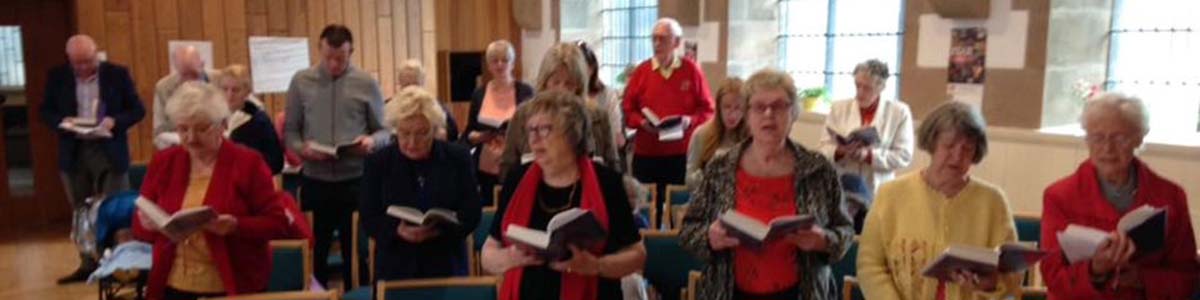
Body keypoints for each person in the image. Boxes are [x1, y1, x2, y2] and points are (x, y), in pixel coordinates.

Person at [679, 69, 854, 300]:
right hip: (729, 291)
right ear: (748, 115)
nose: (769, 114)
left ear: (793, 113)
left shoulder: (818, 170)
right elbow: (688, 231)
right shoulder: (720, 169)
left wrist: (823, 241)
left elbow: (846, 231)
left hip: (802, 292)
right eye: (759, 106)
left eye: (779, 106)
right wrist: (709, 238)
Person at [480, 91, 646, 300]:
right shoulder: (517, 179)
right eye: (531, 130)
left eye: (545, 129)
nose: (534, 138)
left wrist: (597, 266)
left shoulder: (607, 182)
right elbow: (488, 252)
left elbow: (637, 256)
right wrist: (509, 257)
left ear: (572, 134)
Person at [132, 82, 288, 299]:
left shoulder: (248, 163)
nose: (191, 138)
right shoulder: (164, 162)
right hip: (172, 282)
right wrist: (146, 224)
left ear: (223, 125)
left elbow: (278, 224)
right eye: (183, 128)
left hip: (231, 283)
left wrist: (235, 226)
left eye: (202, 128)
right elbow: (139, 227)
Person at [1039, 93, 1198, 299]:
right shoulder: (1060, 196)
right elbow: (1052, 277)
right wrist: (1095, 270)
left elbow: (1188, 279)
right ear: (1087, 139)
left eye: (1119, 138)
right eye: (1097, 137)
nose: (1107, 148)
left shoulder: (1170, 196)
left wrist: (1140, 278)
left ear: (1139, 137)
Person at [857, 101, 1021, 299]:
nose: (957, 157)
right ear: (933, 144)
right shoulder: (891, 194)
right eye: (949, 146)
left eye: (967, 149)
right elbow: (869, 264)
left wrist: (991, 285)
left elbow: (1011, 275)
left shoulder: (993, 202)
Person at [283, 24, 390, 289]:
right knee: (315, 251)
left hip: (354, 179)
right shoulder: (301, 81)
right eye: (327, 57)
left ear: (350, 52)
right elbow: (291, 131)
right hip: (315, 179)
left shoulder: (366, 82)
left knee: (355, 252)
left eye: (340, 59)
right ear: (320, 50)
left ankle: (357, 294)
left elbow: (385, 130)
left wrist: (370, 141)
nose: (333, 64)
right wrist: (301, 148)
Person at [39, 34, 146, 284]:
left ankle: (119, 265)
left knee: (115, 209)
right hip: (74, 150)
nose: (85, 67)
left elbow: (137, 110)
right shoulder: (57, 77)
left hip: (109, 148)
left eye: (89, 60)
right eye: (78, 63)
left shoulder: (116, 74)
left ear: (96, 53)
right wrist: (61, 123)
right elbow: (45, 111)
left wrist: (115, 121)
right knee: (82, 211)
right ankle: (88, 264)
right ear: (69, 61)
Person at [360, 86, 482, 280]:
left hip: (446, 264)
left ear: (434, 130)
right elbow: (369, 216)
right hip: (396, 266)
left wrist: (440, 230)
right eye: (404, 133)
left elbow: (472, 213)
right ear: (395, 130)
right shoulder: (378, 163)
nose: (411, 142)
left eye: (421, 133)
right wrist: (396, 230)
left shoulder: (457, 158)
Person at [621, 18, 714, 219]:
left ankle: (674, 247)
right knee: (645, 209)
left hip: (679, 154)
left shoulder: (691, 70)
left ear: (677, 42)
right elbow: (628, 110)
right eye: (654, 39)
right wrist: (642, 122)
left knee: (677, 212)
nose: (656, 44)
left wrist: (690, 121)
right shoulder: (642, 72)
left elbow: (708, 110)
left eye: (663, 39)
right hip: (647, 154)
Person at [500, 42, 623, 177]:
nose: (562, 90)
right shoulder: (523, 115)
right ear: (544, 82)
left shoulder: (598, 117)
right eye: (556, 82)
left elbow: (613, 167)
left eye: (569, 83)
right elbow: (507, 168)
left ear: (579, 86)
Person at [818, 59, 913, 228]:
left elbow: (903, 156)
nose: (860, 93)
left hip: (877, 188)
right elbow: (823, 148)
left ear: (882, 87)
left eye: (866, 88)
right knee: (843, 237)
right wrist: (840, 151)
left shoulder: (899, 112)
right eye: (857, 85)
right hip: (843, 187)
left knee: (870, 240)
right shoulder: (839, 108)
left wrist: (868, 155)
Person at [462, 40, 535, 206]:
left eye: (505, 60)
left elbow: (534, 126)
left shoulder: (526, 92)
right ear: (489, 65)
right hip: (486, 166)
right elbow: (469, 132)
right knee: (489, 209)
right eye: (495, 61)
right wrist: (479, 136)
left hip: (516, 163)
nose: (500, 65)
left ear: (513, 63)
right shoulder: (479, 94)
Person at [215, 64, 283, 174]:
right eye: (225, 89)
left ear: (246, 92)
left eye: (235, 90)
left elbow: (276, 162)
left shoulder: (259, 121)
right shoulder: (211, 119)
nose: (229, 95)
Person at [685, 77, 745, 188]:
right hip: (707, 200)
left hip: (740, 200)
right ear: (719, 108)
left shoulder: (751, 137)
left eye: (738, 108)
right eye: (727, 107)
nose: (732, 114)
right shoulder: (701, 134)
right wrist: (711, 175)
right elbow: (689, 179)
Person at [154, 45, 214, 150]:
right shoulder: (164, 87)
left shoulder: (222, 81)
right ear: (176, 68)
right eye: (185, 75)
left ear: (202, 64)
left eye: (194, 74)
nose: (190, 81)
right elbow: (159, 131)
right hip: (179, 150)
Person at [391, 59, 460, 142]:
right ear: (400, 85)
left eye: (415, 84)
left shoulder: (436, 106)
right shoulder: (391, 108)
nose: (411, 90)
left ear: (422, 84)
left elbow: (453, 132)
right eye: (406, 85)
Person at [578, 41, 625, 150]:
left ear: (592, 68)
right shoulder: (565, 94)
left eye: (581, 67)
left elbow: (615, 132)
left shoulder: (607, 94)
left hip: (601, 151)